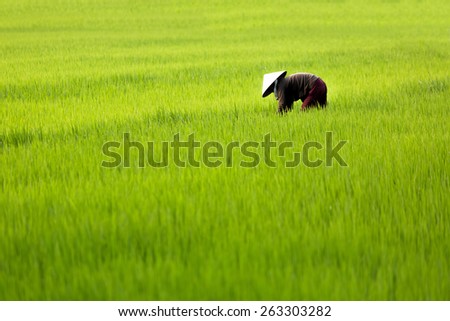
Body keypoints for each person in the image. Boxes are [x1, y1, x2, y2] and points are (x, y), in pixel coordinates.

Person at [261, 70, 327, 113]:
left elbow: (283, 105)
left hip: (315, 86)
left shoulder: (281, 85)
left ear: (272, 86)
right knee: (322, 110)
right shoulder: (284, 82)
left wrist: (276, 118)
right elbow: (288, 104)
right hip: (321, 84)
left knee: (304, 112)